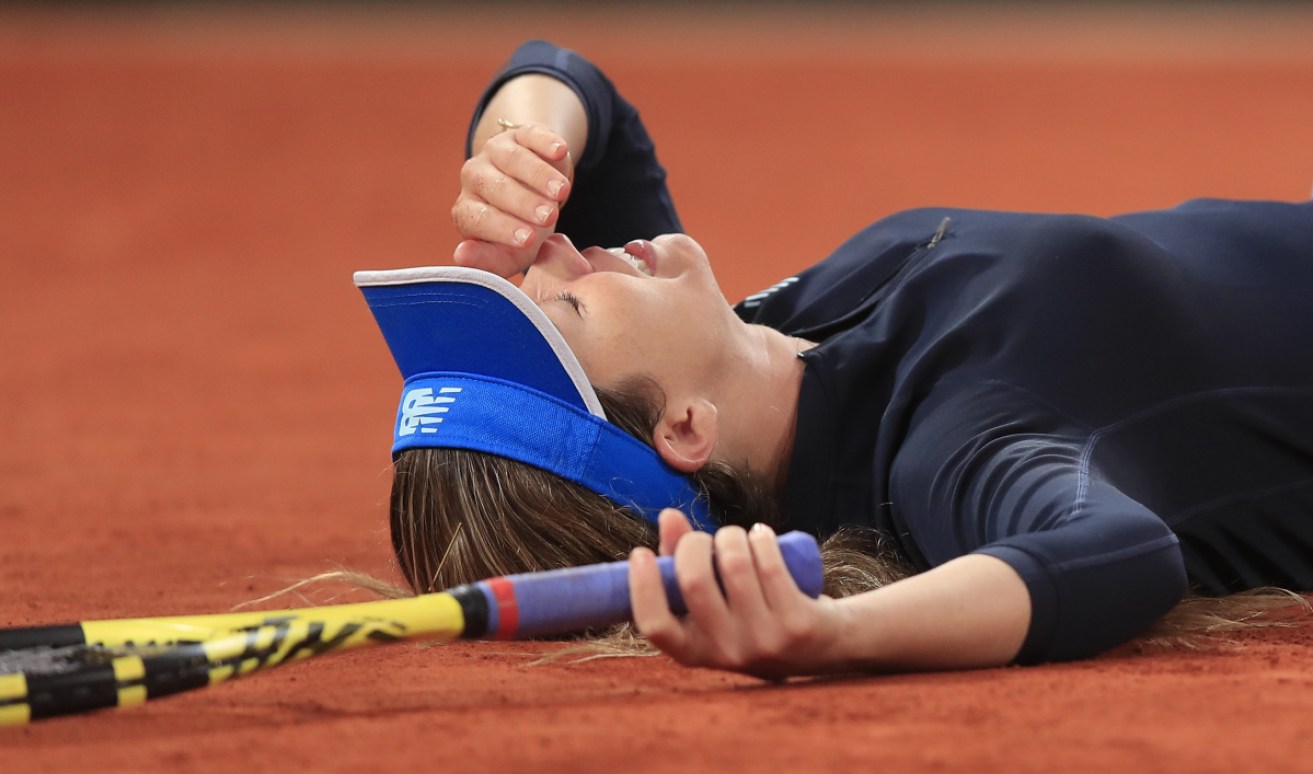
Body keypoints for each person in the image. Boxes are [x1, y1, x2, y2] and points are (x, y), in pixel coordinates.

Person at [360, 40, 1313, 679]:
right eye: (561, 301)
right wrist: (834, 634)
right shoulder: (945, 446)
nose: (560, 247)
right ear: (686, 429)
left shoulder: (786, 330)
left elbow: (567, 79)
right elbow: (1116, 556)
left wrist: (512, 153)